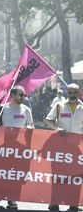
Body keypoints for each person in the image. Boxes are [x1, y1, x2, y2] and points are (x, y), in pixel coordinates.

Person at [0, 85, 34, 209]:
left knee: (15, 175)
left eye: (24, 95)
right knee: (0, 174)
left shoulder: (26, 110)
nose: (23, 97)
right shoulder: (2, 108)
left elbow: (31, 125)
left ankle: (12, 200)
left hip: (19, 149)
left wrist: (30, 127)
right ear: (12, 95)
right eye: (20, 95)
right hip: (3, 147)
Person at [44, 83, 82, 212]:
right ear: (66, 92)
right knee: (57, 176)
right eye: (70, 92)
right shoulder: (59, 106)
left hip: (77, 150)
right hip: (60, 148)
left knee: (76, 177)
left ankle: (73, 204)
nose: (72, 95)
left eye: (74, 93)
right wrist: (57, 128)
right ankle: (54, 202)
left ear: (79, 93)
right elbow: (48, 120)